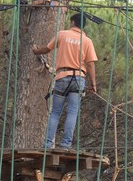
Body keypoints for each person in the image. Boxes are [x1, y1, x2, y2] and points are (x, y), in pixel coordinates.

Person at [33, 13, 98, 149]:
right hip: (79, 78)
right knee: (72, 112)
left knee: (56, 112)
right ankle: (66, 144)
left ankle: (48, 143)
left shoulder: (62, 34)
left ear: (73, 22)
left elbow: (47, 49)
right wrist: (93, 84)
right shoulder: (87, 41)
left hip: (62, 76)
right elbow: (91, 64)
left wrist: (36, 51)